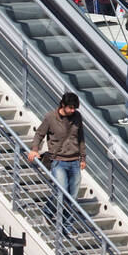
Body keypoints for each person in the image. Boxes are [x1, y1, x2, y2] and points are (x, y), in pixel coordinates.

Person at [27, 92, 85, 235]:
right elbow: (39, 134)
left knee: (72, 196)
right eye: (70, 108)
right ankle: (48, 212)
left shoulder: (77, 117)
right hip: (58, 160)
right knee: (61, 190)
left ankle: (67, 226)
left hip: (75, 161)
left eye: (75, 108)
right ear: (63, 105)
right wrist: (34, 149)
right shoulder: (50, 117)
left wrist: (83, 158)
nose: (73, 111)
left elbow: (81, 138)